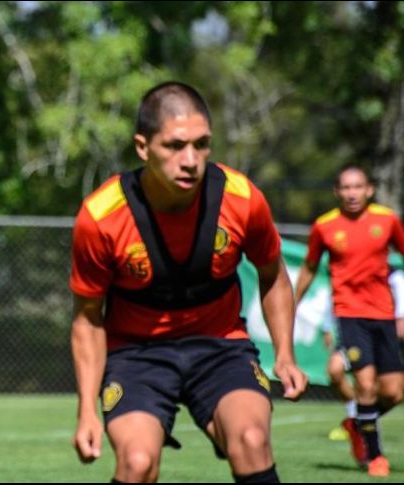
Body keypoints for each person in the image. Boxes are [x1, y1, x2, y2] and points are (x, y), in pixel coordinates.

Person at [69, 81, 308, 483]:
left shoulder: (242, 198)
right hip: (137, 355)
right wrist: (86, 410)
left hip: (221, 347)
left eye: (201, 144)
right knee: (138, 462)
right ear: (143, 147)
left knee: (251, 439)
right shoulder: (100, 216)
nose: (191, 159)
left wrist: (284, 352)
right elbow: (88, 318)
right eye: (175, 146)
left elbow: (274, 276)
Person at [294, 164, 404, 477]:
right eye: (345, 188)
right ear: (337, 192)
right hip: (349, 314)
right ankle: (375, 457)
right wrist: (290, 304)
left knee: (395, 391)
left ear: (369, 190)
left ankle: (357, 423)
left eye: (357, 187)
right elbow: (309, 267)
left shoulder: (387, 220)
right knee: (366, 385)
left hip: (383, 314)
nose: (352, 194)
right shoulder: (325, 226)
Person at [321, 267, 404, 444]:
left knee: (393, 393)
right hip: (355, 334)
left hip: (384, 339)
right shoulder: (348, 271)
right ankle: (356, 419)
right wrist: (327, 326)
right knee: (335, 370)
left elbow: (401, 322)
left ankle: (359, 423)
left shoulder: (394, 277)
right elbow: (335, 298)